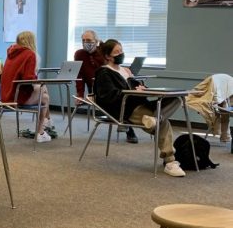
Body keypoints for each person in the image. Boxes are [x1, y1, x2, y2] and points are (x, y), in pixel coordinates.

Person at [93, 39, 185, 177]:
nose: (121, 54)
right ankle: (170, 162)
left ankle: (154, 119)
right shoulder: (104, 73)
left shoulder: (125, 71)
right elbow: (108, 96)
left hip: (142, 104)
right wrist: (133, 91)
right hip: (127, 109)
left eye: (122, 51)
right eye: (117, 52)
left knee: (177, 99)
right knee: (164, 123)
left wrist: (142, 88)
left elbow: (136, 88)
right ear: (107, 56)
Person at [74, 29, 138, 143]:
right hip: (95, 88)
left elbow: (113, 68)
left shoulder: (103, 52)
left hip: (110, 85)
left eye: (89, 40)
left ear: (96, 41)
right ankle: (124, 121)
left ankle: (127, 126)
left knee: (123, 94)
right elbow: (80, 76)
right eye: (83, 40)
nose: (86, 43)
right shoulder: (79, 54)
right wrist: (80, 94)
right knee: (117, 98)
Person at [0, 30, 55, 143]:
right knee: (45, 97)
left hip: (6, 96)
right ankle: (41, 131)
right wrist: (37, 81)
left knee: (43, 88)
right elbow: (28, 78)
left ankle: (47, 121)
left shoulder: (11, 54)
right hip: (16, 98)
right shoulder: (29, 54)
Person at [186, 73, 233, 144]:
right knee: (199, 97)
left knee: (223, 110)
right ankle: (225, 136)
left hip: (216, 84)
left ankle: (225, 136)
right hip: (214, 84)